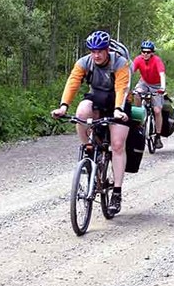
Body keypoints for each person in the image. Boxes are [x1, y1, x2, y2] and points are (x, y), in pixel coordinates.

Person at [51, 30, 131, 215]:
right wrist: (63, 106)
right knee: (81, 111)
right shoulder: (84, 63)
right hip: (97, 98)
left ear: (107, 49)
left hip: (119, 102)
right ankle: (88, 147)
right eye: (93, 51)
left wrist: (118, 110)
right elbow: (73, 82)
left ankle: (117, 193)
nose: (96, 55)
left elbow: (122, 87)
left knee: (118, 145)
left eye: (100, 51)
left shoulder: (120, 63)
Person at [132, 40, 166, 149]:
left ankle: (158, 137)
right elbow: (129, 72)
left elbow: (162, 74)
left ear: (152, 52)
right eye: (143, 51)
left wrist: (163, 87)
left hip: (156, 85)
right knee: (137, 93)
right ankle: (138, 118)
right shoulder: (138, 59)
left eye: (148, 52)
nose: (145, 54)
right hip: (144, 82)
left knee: (157, 110)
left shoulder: (157, 60)